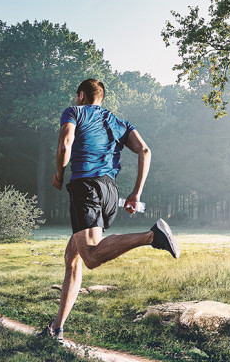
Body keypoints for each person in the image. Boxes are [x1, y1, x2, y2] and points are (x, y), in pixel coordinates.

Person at [42, 78, 180, 341]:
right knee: (72, 256)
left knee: (91, 257)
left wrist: (59, 174)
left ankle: (152, 236)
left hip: (86, 187)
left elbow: (65, 145)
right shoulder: (119, 123)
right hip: (110, 190)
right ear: (101, 98)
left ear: (81, 95)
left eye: (77, 96)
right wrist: (136, 193)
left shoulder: (74, 112)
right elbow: (145, 150)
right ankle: (56, 328)